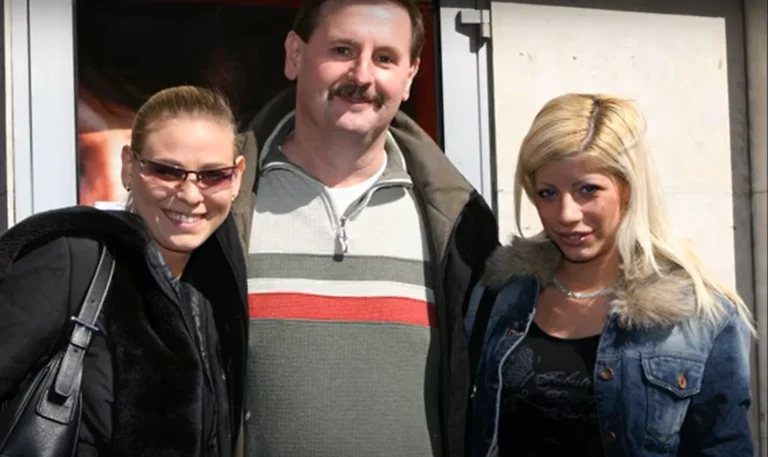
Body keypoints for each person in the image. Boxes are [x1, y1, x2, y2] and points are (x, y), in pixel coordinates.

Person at [230, 1, 499, 456]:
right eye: (342, 50)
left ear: (410, 77)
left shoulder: (460, 227)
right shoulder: (223, 207)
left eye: (385, 58)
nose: (362, 75)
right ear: (295, 55)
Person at [464, 93, 755, 457]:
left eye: (587, 190)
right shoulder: (499, 295)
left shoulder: (700, 315)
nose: (566, 214)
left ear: (628, 188)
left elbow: (723, 447)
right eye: (547, 193)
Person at [0, 86, 248, 457]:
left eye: (213, 175)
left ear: (237, 177)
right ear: (129, 166)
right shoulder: (74, 258)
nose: (190, 195)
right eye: (167, 171)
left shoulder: (214, 292)